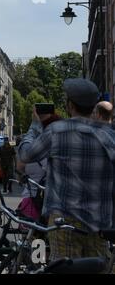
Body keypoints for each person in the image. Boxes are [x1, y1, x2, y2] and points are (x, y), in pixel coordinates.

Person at [18, 78, 115, 264]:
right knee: (97, 266)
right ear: (93, 106)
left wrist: (35, 126)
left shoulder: (57, 131)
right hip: (100, 221)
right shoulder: (109, 135)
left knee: (65, 266)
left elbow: (25, 156)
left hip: (64, 219)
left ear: (70, 105)